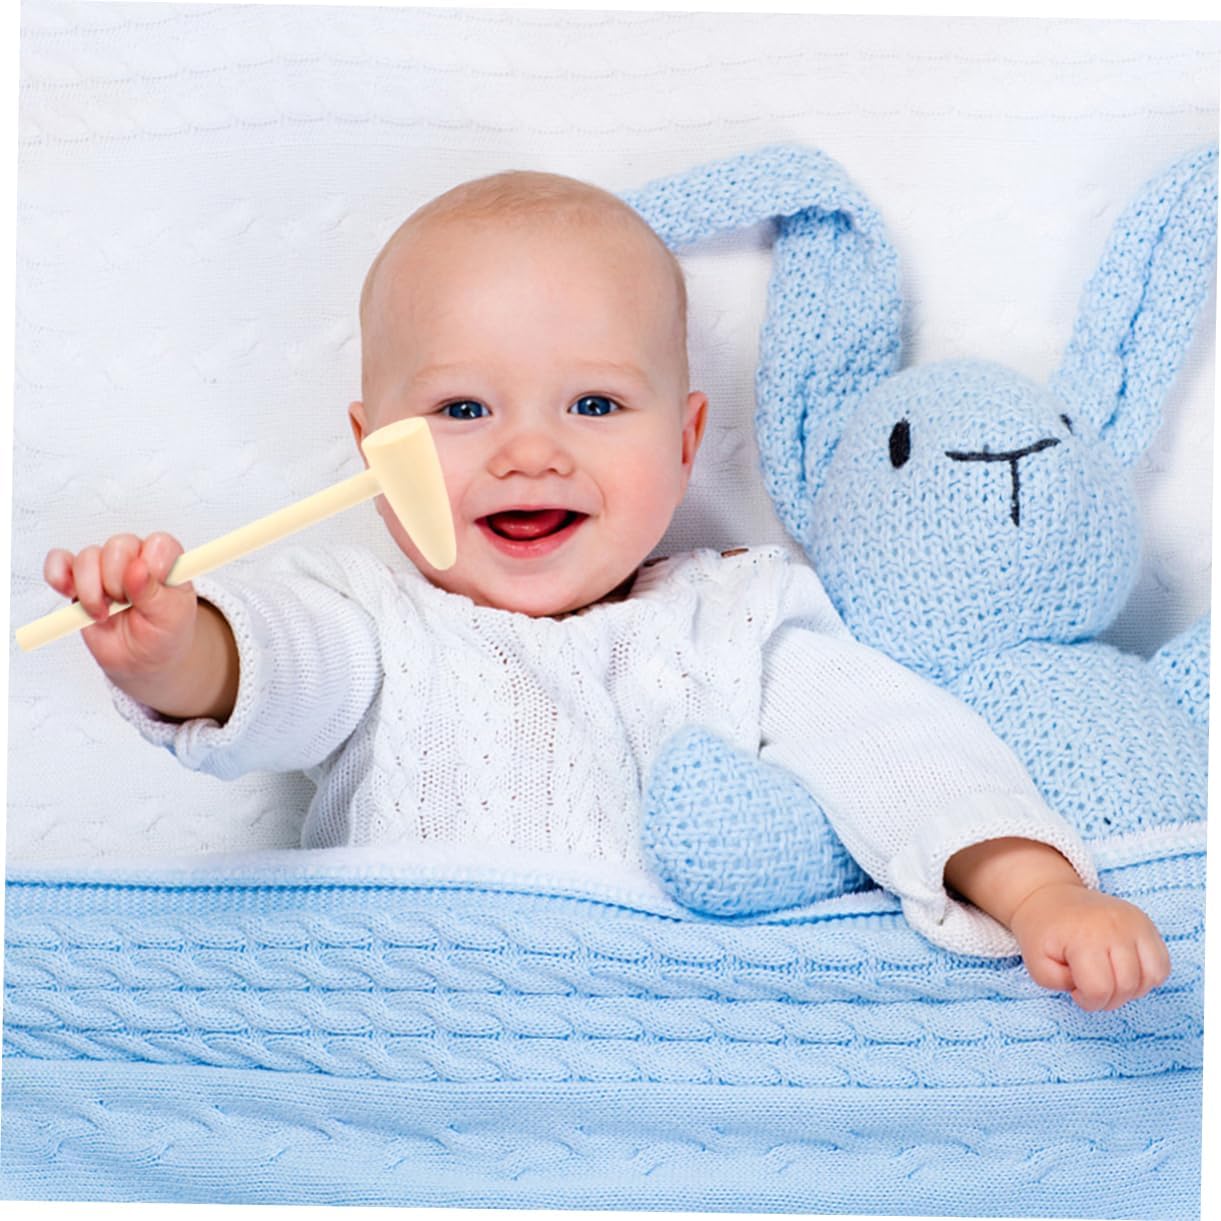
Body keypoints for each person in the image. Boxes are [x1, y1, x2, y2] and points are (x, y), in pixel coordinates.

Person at [43, 169, 1169, 1012]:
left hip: (655, 1034)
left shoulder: (737, 620)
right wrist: (176, 649)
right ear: (371, 447)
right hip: (408, 1024)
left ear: (684, 442)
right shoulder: (370, 617)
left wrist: (1038, 893)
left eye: (593, 406)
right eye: (463, 410)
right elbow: (278, 670)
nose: (529, 453)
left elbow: (899, 754)